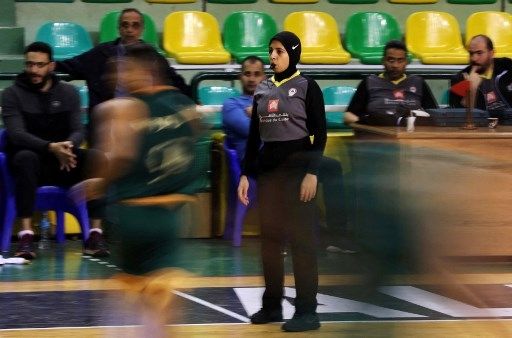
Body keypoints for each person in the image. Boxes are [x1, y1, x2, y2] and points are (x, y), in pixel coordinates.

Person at [74, 43, 205, 338]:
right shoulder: (185, 106)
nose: (116, 77)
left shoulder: (121, 107)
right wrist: (188, 189)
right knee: (161, 286)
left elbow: (118, 155)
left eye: (123, 69)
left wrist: (99, 182)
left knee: (127, 287)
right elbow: (201, 148)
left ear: (145, 71)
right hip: (173, 214)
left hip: (134, 213)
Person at [237, 31, 326, 332]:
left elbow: (319, 134)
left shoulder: (307, 86)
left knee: (303, 244)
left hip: (299, 175)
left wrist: (312, 173)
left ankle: (307, 312)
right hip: (269, 176)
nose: (272, 56)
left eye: (278, 51)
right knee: (270, 244)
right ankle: (272, 305)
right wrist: (247, 174)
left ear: (293, 53)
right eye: (270, 51)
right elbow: (253, 137)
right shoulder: (262, 88)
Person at [222, 56, 355, 253]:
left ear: (264, 77)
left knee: (331, 166)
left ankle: (337, 236)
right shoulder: (232, 105)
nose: (251, 79)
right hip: (258, 161)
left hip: (290, 155)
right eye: (247, 74)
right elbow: (256, 130)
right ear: (240, 77)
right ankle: (289, 236)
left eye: (257, 74)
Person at [0, 42, 108, 260]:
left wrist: (68, 146)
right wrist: (51, 147)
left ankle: (95, 235)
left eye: (40, 65)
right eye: (30, 64)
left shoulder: (69, 93)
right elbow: (16, 134)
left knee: (98, 158)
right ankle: (26, 236)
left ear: (50, 66)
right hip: (29, 163)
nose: (34, 70)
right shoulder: (11, 94)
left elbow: (78, 129)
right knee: (25, 158)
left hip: (63, 160)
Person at [55, 8, 190, 145]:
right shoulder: (100, 53)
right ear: (119, 28)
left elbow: (177, 82)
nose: (129, 30)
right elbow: (70, 66)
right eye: (125, 25)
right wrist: (48, 64)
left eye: (135, 25)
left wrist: (193, 102)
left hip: (143, 123)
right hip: (106, 124)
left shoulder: (153, 56)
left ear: (141, 29)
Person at [344, 40, 438, 126]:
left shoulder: (418, 82)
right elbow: (348, 116)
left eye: (400, 60)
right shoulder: (369, 82)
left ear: (406, 62)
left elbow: (435, 114)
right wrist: (367, 126)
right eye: (391, 60)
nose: (395, 65)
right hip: (376, 136)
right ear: (383, 61)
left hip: (411, 136)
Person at [449, 34, 512, 116]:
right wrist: (472, 89)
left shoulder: (508, 67)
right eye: (471, 53)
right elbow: (460, 118)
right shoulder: (459, 78)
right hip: (482, 126)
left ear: (492, 53)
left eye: (479, 53)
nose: (474, 58)